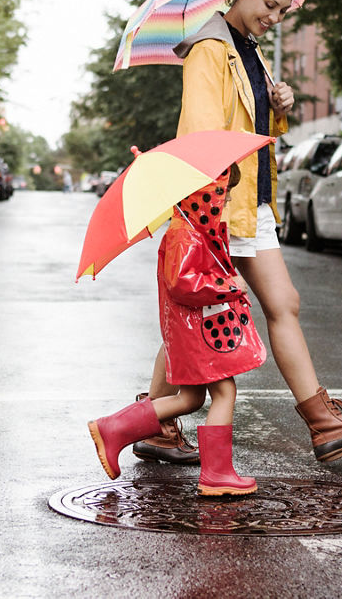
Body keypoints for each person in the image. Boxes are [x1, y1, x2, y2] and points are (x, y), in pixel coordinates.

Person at [132, 0, 342, 466]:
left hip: (255, 200)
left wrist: (278, 110)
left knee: (266, 305)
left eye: (283, 12)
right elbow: (206, 136)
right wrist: (209, 215)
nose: (273, 18)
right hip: (223, 205)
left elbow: (251, 131)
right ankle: (317, 422)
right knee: (226, 308)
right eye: (269, 4)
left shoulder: (246, 48)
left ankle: (161, 423)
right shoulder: (210, 49)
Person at [89, 167, 264, 496]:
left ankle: (113, 428)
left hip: (195, 328)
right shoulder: (185, 233)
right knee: (224, 393)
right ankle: (217, 475)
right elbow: (183, 284)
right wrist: (229, 285)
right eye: (222, 191)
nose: (225, 198)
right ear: (201, 193)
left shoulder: (196, 228)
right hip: (196, 329)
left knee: (191, 397)